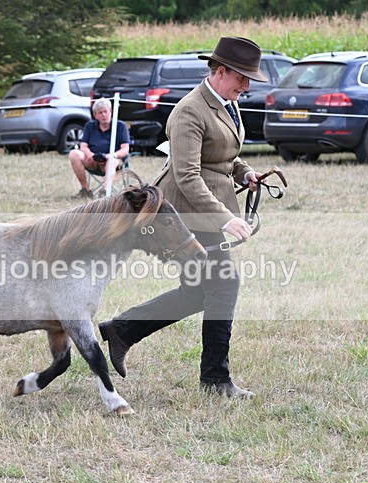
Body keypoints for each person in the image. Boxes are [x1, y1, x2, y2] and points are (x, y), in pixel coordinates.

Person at [98, 36, 269, 398]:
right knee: (224, 284)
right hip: (186, 214)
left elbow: (222, 155)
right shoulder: (191, 110)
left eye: (249, 79)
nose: (247, 85)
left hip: (206, 211)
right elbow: (188, 174)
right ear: (220, 71)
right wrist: (226, 218)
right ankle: (215, 379)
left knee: (196, 293)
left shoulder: (227, 102)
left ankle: (122, 330)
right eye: (241, 77)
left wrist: (244, 174)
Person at [68, 98, 130, 199]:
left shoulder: (120, 126)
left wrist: (111, 155)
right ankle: (85, 190)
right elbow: (83, 146)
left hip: (112, 161)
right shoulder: (89, 126)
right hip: (92, 160)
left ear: (111, 112)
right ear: (95, 115)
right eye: (100, 113)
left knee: (112, 161)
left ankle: (105, 192)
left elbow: (125, 149)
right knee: (74, 154)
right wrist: (90, 155)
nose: (104, 115)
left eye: (105, 111)